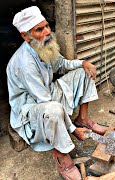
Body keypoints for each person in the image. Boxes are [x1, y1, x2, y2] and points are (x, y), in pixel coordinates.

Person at [7, 6, 108, 179]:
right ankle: (61, 155)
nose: (47, 32)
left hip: (46, 94)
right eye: (39, 29)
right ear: (25, 36)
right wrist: (73, 130)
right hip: (31, 109)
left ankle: (83, 119)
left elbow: (61, 64)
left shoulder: (44, 45)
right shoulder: (24, 64)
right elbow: (44, 100)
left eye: (46, 26)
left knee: (84, 72)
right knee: (53, 110)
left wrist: (83, 62)